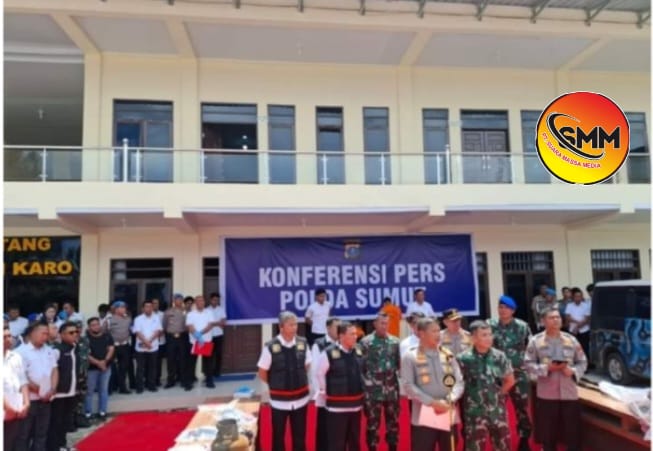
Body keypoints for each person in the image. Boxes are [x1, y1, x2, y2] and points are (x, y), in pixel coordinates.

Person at [525, 308, 587, 451]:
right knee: (548, 432)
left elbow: (583, 362)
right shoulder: (535, 341)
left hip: (569, 393)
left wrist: (572, 371)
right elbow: (528, 364)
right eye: (551, 317)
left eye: (558, 317)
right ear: (543, 321)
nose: (556, 320)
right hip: (547, 394)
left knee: (572, 431)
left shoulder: (571, 339)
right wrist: (546, 368)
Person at [401, 317, 464, 451]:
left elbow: (459, 380)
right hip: (423, 415)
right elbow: (408, 385)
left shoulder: (447, 354)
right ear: (422, 334)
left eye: (438, 331)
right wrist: (432, 402)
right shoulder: (410, 356)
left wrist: (451, 398)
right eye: (433, 331)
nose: (438, 334)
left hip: (447, 410)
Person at [457, 320, 515, 451]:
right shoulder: (463, 358)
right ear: (473, 338)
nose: (489, 338)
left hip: (497, 412)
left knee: (503, 447)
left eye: (490, 334)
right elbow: (457, 384)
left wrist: (498, 394)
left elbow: (510, 380)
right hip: (474, 413)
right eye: (484, 335)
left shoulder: (499, 356)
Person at [257, 311, 311, 451]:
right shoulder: (270, 346)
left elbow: (306, 365)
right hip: (279, 401)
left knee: (300, 436)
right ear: (281, 327)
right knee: (278, 437)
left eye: (295, 324)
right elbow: (262, 372)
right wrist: (275, 383)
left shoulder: (303, 343)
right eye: (290, 325)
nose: (294, 328)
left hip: (300, 400)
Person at [487, 295, 533, 451]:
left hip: (518, 374)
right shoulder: (490, 325)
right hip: (497, 376)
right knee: (496, 409)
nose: (503, 310)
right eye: (500, 307)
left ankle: (524, 439)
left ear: (513, 311)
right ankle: (499, 442)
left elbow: (530, 348)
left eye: (506, 308)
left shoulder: (522, 326)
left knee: (523, 408)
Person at [316, 321, 364, 451]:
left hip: (355, 407)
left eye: (355, 334)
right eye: (351, 334)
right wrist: (325, 391)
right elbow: (319, 373)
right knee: (337, 445)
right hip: (336, 409)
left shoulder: (359, 350)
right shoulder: (329, 353)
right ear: (341, 336)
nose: (355, 337)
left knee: (354, 443)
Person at [360, 313, 401, 451]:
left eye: (387, 323)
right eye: (382, 323)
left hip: (391, 390)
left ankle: (392, 447)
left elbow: (399, 365)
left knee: (393, 424)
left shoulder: (395, 342)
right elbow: (361, 367)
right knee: (372, 425)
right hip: (373, 392)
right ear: (375, 324)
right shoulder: (366, 343)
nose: (384, 326)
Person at [15, 323, 59, 451]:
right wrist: (39, 390)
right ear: (32, 333)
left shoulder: (48, 350)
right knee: (23, 434)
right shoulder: (20, 352)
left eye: (47, 334)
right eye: (43, 333)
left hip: (46, 398)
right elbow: (20, 376)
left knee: (42, 432)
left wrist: (52, 389)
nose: (46, 336)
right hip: (28, 400)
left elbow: (54, 370)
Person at [47, 322, 79, 451]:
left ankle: (62, 444)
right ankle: (55, 447)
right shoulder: (56, 350)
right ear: (62, 335)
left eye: (76, 332)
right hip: (59, 393)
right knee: (56, 422)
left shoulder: (75, 348)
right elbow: (51, 371)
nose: (75, 334)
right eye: (71, 332)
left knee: (66, 421)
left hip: (71, 391)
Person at [311, 317, 340, 451]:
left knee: (337, 431)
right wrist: (321, 393)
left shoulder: (342, 343)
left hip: (340, 396)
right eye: (336, 327)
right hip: (325, 396)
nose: (339, 330)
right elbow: (315, 371)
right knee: (324, 430)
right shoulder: (319, 344)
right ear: (328, 328)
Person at [4, 325, 30, 451]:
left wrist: (26, 403)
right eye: (4, 337)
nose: (9, 339)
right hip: (6, 409)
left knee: (14, 442)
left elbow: (23, 381)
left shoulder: (16, 357)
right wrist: (8, 408)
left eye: (10, 336)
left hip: (16, 409)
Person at [85, 317, 114, 420]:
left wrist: (105, 361)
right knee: (89, 391)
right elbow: (86, 354)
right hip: (91, 369)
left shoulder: (107, 336)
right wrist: (98, 363)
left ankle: (102, 412)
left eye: (97, 324)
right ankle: (88, 413)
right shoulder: (85, 339)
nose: (96, 327)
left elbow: (111, 349)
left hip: (106, 367)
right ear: (89, 327)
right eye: (93, 325)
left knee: (103, 390)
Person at [132, 300, 163, 393]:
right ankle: (139, 387)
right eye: (146, 306)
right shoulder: (138, 319)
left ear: (152, 308)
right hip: (141, 348)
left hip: (153, 347)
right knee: (140, 368)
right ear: (143, 308)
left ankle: (151, 385)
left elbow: (158, 331)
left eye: (150, 306)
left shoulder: (156, 318)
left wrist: (149, 342)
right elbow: (138, 332)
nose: (148, 308)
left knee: (152, 367)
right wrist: (146, 342)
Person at [186, 295, 216, 389]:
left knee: (208, 363)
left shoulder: (209, 312)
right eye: (198, 301)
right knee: (191, 363)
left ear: (204, 302)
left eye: (202, 300)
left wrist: (201, 333)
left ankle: (209, 381)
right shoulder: (191, 314)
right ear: (195, 303)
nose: (200, 302)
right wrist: (197, 336)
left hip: (206, 341)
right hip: (194, 341)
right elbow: (190, 326)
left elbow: (210, 325)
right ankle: (189, 382)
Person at [163, 293, 190, 390]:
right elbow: (164, 325)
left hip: (183, 337)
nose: (179, 301)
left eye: (180, 299)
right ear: (174, 301)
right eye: (177, 299)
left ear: (182, 301)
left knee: (183, 359)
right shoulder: (168, 312)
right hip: (171, 338)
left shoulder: (186, 311)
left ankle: (184, 380)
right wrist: (170, 333)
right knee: (171, 360)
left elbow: (189, 323)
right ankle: (170, 381)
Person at [105, 301, 133, 394]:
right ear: (116, 309)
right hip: (113, 347)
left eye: (124, 307)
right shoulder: (109, 320)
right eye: (122, 307)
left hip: (124, 346)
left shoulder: (128, 319)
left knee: (123, 368)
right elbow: (104, 332)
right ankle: (110, 388)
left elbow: (131, 330)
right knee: (111, 368)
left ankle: (122, 388)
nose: (124, 309)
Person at [565, 287, 591, 358]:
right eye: (576, 296)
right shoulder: (569, 305)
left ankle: (586, 362)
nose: (578, 298)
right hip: (572, 331)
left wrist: (577, 327)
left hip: (584, 330)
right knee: (574, 348)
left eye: (579, 296)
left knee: (585, 348)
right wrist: (577, 322)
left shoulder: (586, 306)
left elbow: (587, 319)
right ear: (573, 297)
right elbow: (567, 317)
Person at [208, 292, 227, 378]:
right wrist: (218, 323)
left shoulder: (221, 309)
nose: (215, 301)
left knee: (218, 354)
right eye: (214, 300)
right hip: (209, 336)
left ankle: (217, 372)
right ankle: (209, 372)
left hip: (219, 335)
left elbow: (224, 323)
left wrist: (213, 323)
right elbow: (207, 323)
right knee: (209, 355)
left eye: (217, 300)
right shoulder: (206, 310)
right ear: (210, 300)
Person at [151, 298, 166, 388]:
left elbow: (165, 326)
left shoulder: (162, 314)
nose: (155, 305)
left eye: (156, 303)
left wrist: (160, 332)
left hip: (161, 342)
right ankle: (151, 379)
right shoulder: (149, 315)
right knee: (151, 362)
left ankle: (157, 379)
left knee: (158, 362)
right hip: (151, 342)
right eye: (153, 303)